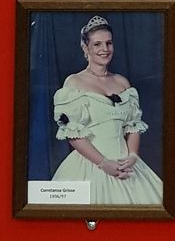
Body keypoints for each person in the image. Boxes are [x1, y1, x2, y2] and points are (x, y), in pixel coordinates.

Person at [50, 15, 163, 205]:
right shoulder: (75, 82)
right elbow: (72, 134)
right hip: (91, 165)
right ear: (85, 47)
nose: (105, 49)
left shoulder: (122, 82)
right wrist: (104, 163)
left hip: (126, 165)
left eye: (109, 43)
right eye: (97, 44)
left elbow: (133, 126)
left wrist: (133, 155)